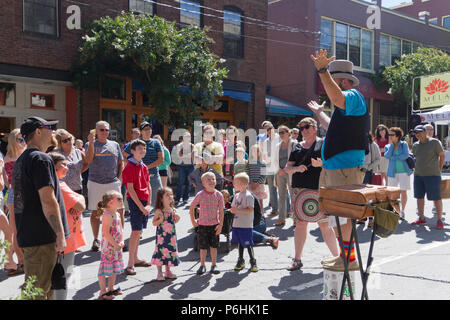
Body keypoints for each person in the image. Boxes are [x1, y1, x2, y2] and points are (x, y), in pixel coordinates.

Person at [309, 52, 369, 272]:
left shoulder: (353, 95)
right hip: (336, 169)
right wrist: (318, 113)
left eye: (332, 80)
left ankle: (348, 259)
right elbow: (329, 126)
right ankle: (345, 257)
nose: (328, 85)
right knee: (337, 217)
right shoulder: (345, 105)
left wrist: (323, 71)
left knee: (343, 217)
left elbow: (335, 98)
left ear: (342, 81)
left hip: (344, 170)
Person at [13, 116, 69, 300]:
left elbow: (16, 202)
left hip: (30, 236)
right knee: (36, 293)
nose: (52, 132)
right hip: (42, 238)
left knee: (41, 290)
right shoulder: (41, 159)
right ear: (38, 131)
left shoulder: (21, 160)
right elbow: (47, 199)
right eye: (48, 128)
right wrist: (60, 234)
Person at [284, 117, 339, 271]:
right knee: (300, 224)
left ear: (314, 128)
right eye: (301, 128)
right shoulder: (296, 147)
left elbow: (333, 163)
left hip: (319, 189)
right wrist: (296, 169)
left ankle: (338, 258)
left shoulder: (323, 143)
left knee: (325, 225)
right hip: (299, 190)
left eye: (307, 126)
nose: (304, 130)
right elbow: (287, 168)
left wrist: (322, 164)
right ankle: (297, 259)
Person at [49, 152, 86, 300]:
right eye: (62, 165)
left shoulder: (58, 183)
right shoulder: (59, 185)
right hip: (66, 238)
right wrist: (80, 197)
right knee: (63, 276)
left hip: (68, 236)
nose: (67, 168)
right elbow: (81, 205)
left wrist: (80, 197)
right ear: (53, 166)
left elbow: (81, 200)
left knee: (60, 276)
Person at [85, 121, 124, 252]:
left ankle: (120, 238)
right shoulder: (89, 144)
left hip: (112, 182)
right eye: (101, 130)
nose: (104, 132)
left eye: (106, 130)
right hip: (96, 182)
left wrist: (119, 178)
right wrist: (91, 143)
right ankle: (96, 239)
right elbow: (88, 160)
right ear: (96, 131)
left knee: (119, 211)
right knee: (96, 212)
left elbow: (120, 163)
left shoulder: (115, 145)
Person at [122, 139, 152, 276]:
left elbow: (148, 185)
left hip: (144, 202)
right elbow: (130, 190)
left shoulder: (143, 166)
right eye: (139, 148)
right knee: (135, 232)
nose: (142, 151)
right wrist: (141, 207)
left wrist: (149, 204)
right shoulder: (128, 167)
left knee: (139, 232)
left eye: (144, 148)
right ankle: (129, 264)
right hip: (135, 202)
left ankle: (136, 258)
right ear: (132, 151)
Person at [189, 172, 224, 275]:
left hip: (214, 225)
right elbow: (192, 207)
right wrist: (193, 221)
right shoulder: (200, 194)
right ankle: (202, 265)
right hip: (203, 225)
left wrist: (221, 225)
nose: (211, 181)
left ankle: (214, 265)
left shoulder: (219, 195)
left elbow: (221, 211)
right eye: (208, 180)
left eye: (213, 179)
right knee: (203, 247)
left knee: (214, 246)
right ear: (203, 183)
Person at [411, 125, 445, 229]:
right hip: (418, 175)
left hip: (432, 175)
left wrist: (439, 169)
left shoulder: (434, 142)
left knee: (436, 198)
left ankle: (439, 220)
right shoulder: (415, 145)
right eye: (416, 132)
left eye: (419, 132)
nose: (417, 134)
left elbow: (442, 155)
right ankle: (421, 218)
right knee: (419, 197)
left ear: (425, 132)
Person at [124, 122, 163, 210]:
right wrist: (133, 165)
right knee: (141, 203)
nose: (148, 131)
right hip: (138, 178)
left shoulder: (156, 142)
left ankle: (159, 221)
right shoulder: (136, 142)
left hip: (154, 175)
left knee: (160, 202)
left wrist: (145, 168)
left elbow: (161, 159)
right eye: (145, 129)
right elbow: (124, 155)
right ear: (141, 131)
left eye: (149, 129)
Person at [4, 128, 26, 275]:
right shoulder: (8, 159)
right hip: (14, 194)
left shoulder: (28, 154)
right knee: (15, 230)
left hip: (27, 193)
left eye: (23, 138)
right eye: (19, 139)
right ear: (13, 141)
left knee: (23, 228)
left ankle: (15, 261)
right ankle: (20, 261)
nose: (23, 141)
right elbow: (6, 182)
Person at [97, 191, 125, 300]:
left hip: (117, 245)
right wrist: (115, 244)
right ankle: (103, 291)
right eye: (119, 199)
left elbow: (121, 229)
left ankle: (111, 288)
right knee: (104, 268)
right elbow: (106, 233)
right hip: (109, 246)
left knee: (114, 267)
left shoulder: (117, 214)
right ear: (110, 203)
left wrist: (121, 241)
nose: (121, 201)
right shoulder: (107, 215)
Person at [230, 172, 258, 272]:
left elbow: (250, 210)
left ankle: (253, 262)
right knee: (240, 243)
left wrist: (236, 211)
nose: (234, 185)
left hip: (246, 225)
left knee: (248, 243)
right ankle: (240, 260)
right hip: (237, 224)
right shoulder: (236, 195)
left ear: (242, 184)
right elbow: (233, 207)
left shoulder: (249, 196)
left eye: (235, 183)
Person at [151, 187, 181, 281]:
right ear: (161, 198)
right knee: (160, 253)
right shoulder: (159, 211)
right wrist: (159, 220)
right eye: (167, 195)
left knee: (169, 253)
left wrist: (177, 217)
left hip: (171, 236)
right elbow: (154, 223)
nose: (170, 196)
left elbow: (174, 222)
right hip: (162, 237)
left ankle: (168, 271)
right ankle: (159, 273)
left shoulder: (172, 209)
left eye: (171, 194)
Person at [384, 127, 413, 220]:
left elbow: (405, 156)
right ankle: (395, 211)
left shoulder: (404, 144)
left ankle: (402, 211)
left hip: (404, 171)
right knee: (392, 193)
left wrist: (394, 157)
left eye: (392, 135)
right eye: (389, 134)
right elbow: (387, 156)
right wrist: (392, 146)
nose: (390, 136)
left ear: (398, 136)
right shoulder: (388, 146)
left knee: (403, 191)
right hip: (392, 172)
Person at [273, 125, 297, 226]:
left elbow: (297, 158)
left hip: (291, 172)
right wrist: (279, 170)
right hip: (280, 172)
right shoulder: (278, 145)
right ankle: (281, 218)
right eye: (279, 133)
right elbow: (274, 160)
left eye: (283, 132)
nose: (281, 134)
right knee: (281, 196)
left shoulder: (294, 144)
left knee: (293, 196)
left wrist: (287, 169)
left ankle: (296, 219)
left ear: (288, 132)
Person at [55, 129, 89, 194]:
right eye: (65, 141)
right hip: (63, 189)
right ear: (60, 143)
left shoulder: (78, 152)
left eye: (69, 138)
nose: (68, 141)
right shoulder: (56, 153)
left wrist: (78, 171)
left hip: (77, 187)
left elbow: (86, 164)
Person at [257, 120, 280, 216]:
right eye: (266, 129)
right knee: (271, 187)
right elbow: (262, 152)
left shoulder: (279, 138)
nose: (268, 130)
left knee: (283, 189)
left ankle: (287, 211)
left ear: (273, 127)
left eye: (269, 128)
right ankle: (274, 209)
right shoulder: (265, 140)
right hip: (268, 166)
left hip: (279, 166)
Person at [174, 132, 195, 206]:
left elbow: (193, 156)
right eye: (185, 137)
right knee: (180, 182)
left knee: (189, 182)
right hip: (182, 166)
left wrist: (184, 155)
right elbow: (179, 155)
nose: (187, 138)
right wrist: (188, 155)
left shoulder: (192, 145)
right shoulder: (180, 145)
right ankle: (177, 198)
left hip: (190, 166)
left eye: (188, 137)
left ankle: (185, 198)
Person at [246, 144, 267, 216]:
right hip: (250, 185)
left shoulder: (263, 163)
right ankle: (252, 216)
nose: (255, 153)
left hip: (259, 185)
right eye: (253, 151)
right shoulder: (248, 163)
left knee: (260, 202)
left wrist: (257, 183)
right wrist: (251, 182)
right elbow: (247, 173)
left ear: (259, 152)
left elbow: (263, 175)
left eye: (257, 151)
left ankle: (261, 216)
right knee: (251, 201)